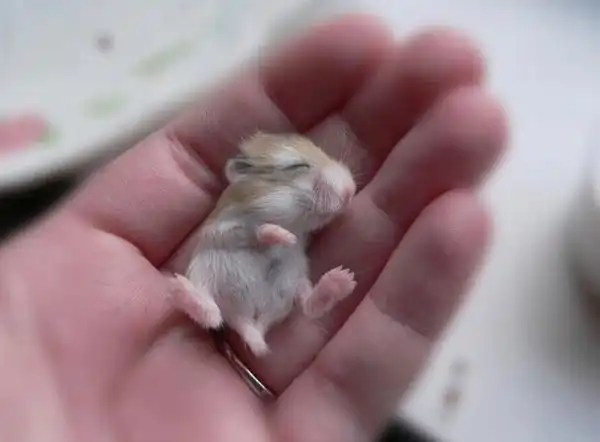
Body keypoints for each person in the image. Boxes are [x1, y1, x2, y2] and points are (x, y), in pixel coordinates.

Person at [0, 14, 507, 442]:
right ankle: (208, 304)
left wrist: (291, 252)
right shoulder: (238, 211)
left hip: (274, 281)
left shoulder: (299, 230)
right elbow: (235, 235)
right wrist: (267, 236)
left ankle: (300, 305)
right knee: (217, 260)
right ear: (246, 181)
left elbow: (295, 243)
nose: (338, 188)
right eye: (300, 172)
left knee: (294, 272)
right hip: (231, 263)